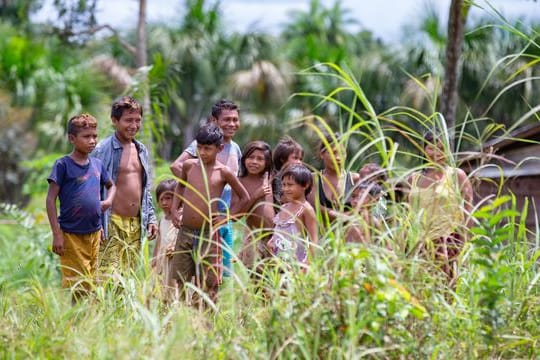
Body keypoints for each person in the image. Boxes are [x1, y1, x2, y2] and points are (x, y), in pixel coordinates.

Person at [169, 124, 250, 303]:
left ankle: (205, 318)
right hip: (186, 230)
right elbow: (180, 186)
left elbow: (244, 197)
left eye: (207, 148)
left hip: (209, 233)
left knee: (209, 280)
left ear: (219, 148)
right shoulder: (189, 166)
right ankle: (183, 313)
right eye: (199, 147)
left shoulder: (224, 172)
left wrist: (227, 217)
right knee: (181, 277)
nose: (202, 152)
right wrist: (175, 209)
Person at [46, 114, 116, 300]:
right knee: (78, 283)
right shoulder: (63, 165)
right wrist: (56, 233)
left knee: (91, 280)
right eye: (86, 136)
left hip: (94, 234)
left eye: (94, 136)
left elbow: (111, 185)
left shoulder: (97, 164)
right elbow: (50, 199)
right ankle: (76, 321)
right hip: (70, 235)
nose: (92, 141)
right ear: (72, 138)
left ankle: (86, 321)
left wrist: (108, 202)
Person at [170, 99, 242, 277]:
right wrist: (196, 192)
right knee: (187, 273)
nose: (232, 124)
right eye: (227, 119)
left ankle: (210, 305)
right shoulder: (200, 145)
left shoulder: (236, 149)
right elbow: (176, 166)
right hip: (196, 220)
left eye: (235, 119)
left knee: (216, 275)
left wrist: (231, 214)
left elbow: (239, 187)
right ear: (214, 120)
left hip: (222, 220)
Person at [91, 96, 158, 275]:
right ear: (115, 121)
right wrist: (97, 223)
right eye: (128, 120)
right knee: (108, 276)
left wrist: (151, 218)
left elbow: (145, 189)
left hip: (136, 224)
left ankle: (123, 305)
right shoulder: (103, 149)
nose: (133, 125)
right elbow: (93, 189)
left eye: (138, 120)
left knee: (129, 276)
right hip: (112, 222)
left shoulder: (141, 149)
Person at [406, 130, 473, 284]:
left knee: (446, 290)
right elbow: (407, 213)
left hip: (449, 241)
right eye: (431, 148)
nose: (436, 153)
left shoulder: (457, 175)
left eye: (441, 148)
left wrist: (464, 241)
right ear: (423, 149)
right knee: (420, 290)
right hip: (419, 242)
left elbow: (469, 210)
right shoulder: (413, 178)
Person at [232, 141, 274, 268]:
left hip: (274, 235)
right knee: (256, 277)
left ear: (267, 162)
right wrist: (256, 195)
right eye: (251, 157)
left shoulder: (271, 178)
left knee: (275, 276)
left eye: (260, 159)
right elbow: (235, 216)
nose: (254, 162)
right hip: (254, 237)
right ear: (244, 159)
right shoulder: (239, 182)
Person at [267, 164, 318, 266]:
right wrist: (271, 241)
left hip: (298, 266)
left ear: (305, 185)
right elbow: (279, 232)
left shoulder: (306, 209)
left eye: (290, 185)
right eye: (284, 185)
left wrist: (306, 266)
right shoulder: (284, 207)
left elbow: (314, 241)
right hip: (279, 264)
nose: (285, 189)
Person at [308, 132, 360, 224]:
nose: (338, 157)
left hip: (350, 236)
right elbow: (316, 208)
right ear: (322, 154)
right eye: (333, 152)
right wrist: (346, 217)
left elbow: (361, 208)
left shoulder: (355, 179)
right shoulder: (313, 179)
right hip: (323, 236)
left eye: (341, 153)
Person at [151, 179, 179, 301]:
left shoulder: (180, 219)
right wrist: (154, 260)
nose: (164, 202)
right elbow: (159, 241)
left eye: (168, 198)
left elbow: (184, 239)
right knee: (163, 289)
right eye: (161, 199)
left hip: (176, 260)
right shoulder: (162, 220)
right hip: (163, 261)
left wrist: (175, 249)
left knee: (176, 288)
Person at [271, 136, 304, 207]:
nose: (299, 162)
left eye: (300, 159)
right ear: (282, 158)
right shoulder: (276, 178)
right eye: (295, 158)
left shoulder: (300, 178)